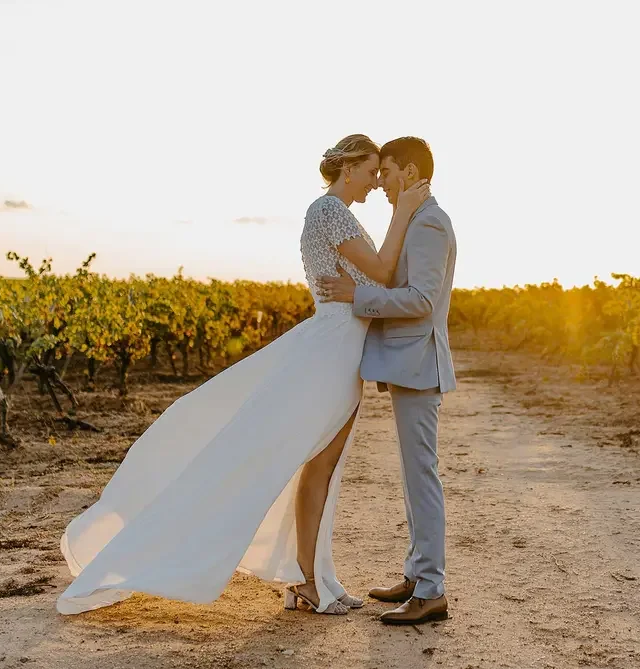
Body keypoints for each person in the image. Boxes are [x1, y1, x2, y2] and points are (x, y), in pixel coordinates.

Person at [55, 134, 429, 616]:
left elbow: (373, 278)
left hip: (344, 351)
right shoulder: (328, 211)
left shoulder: (343, 214)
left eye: (383, 173)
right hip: (330, 353)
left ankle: (313, 580)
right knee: (286, 462)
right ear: (350, 167)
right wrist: (404, 212)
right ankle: (306, 581)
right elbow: (379, 268)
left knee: (321, 468)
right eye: (373, 171)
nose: (377, 182)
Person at [315, 135, 457, 626]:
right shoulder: (417, 221)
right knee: (412, 475)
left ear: (411, 173)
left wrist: (357, 295)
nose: (383, 186)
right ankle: (418, 575)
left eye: (389, 173)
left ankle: (432, 590)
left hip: (419, 364)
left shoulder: (430, 223)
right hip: (407, 365)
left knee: (422, 477)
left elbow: (420, 300)